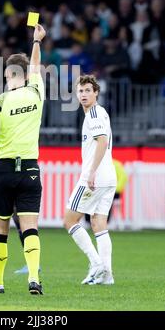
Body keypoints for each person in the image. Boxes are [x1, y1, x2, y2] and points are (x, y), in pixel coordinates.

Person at [0, 24, 46, 295]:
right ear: (25, 75)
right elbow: (37, 68)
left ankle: (0, 283)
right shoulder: (36, 93)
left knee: (0, 228)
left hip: (3, 170)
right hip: (29, 168)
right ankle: (33, 278)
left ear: (7, 75)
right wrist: (36, 41)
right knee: (30, 227)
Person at [64, 74, 116, 285]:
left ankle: (97, 264)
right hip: (109, 177)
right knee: (98, 223)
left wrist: (92, 171)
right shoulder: (101, 112)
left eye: (88, 90)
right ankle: (107, 275)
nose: (83, 94)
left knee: (69, 220)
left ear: (96, 92)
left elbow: (102, 142)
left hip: (94, 177)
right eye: (80, 91)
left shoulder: (94, 114)